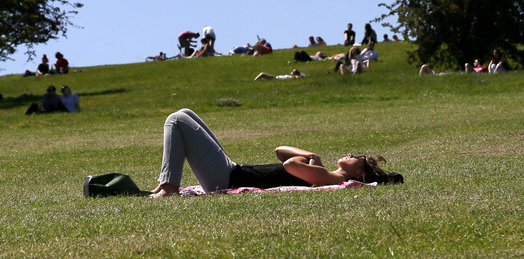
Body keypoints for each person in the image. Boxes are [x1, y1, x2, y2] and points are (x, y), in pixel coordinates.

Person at [149, 108, 400, 197]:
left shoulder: (332, 178)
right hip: (232, 170)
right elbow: (280, 151)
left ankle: (169, 186)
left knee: (176, 120)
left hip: (224, 179)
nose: (349, 153)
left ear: (358, 172)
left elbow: (290, 165)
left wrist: (309, 158)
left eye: (355, 157)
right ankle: (166, 185)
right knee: (185, 113)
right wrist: (311, 155)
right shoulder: (322, 171)